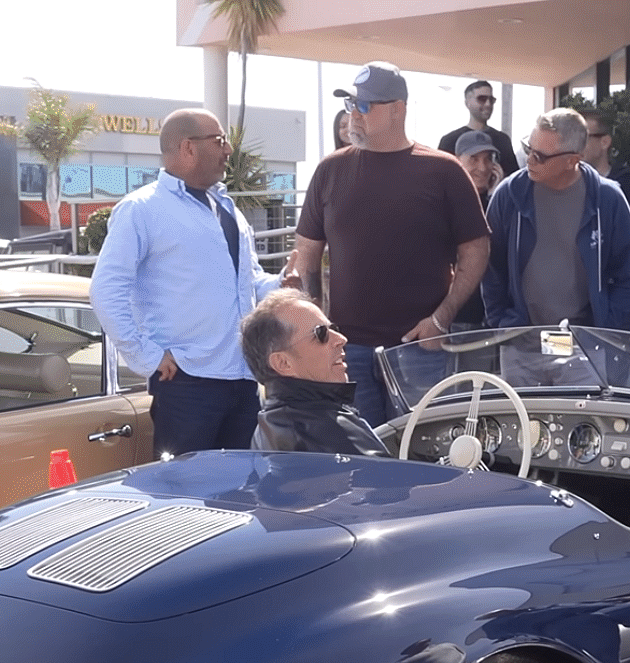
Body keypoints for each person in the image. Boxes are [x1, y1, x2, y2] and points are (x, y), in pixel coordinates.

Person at [289, 62, 489, 428]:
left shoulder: (443, 171)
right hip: (346, 350)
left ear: (398, 109)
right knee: (360, 459)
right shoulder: (330, 170)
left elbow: (476, 250)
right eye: (350, 105)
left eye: (364, 107)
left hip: (418, 348)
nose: (354, 115)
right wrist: (316, 319)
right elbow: (307, 251)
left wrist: (441, 319)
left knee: (422, 460)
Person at [91, 109, 280, 456]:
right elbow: (106, 288)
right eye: (220, 141)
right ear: (188, 148)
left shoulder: (227, 210)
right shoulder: (142, 208)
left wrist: (286, 282)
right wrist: (145, 355)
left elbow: (249, 283)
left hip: (242, 379)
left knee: (241, 496)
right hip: (186, 383)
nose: (228, 151)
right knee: (185, 498)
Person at [480, 107, 630, 331]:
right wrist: (502, 321)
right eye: (529, 148)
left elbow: (626, 274)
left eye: (540, 156)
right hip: (520, 338)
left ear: (572, 159)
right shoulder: (510, 194)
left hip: (586, 342)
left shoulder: (608, 199)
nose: (530, 160)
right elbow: (490, 264)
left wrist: (609, 328)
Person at [242, 288, 389, 456]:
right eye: (321, 333)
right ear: (283, 363)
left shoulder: (271, 423)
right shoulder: (326, 432)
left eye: (334, 328)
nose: (341, 339)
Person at [450, 130, 503, 331]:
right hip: (458, 314)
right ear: (457, 161)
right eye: (474, 159)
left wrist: (495, 196)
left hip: (493, 315)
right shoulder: (448, 199)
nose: (482, 167)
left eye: (488, 159)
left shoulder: (499, 200)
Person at [579, 108, 630, 245]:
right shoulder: (564, 183)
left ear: (604, 142)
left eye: (583, 137)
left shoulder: (628, 183)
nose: (575, 144)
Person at [437, 80, 520, 175]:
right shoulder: (449, 140)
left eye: (491, 100)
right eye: (482, 99)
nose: (488, 104)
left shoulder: (502, 140)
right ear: (467, 103)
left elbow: (513, 176)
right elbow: (439, 177)